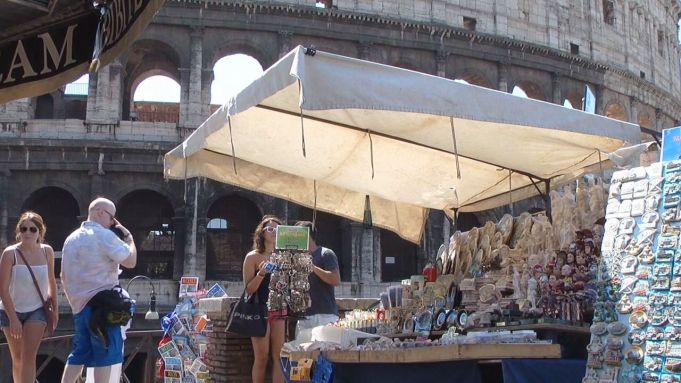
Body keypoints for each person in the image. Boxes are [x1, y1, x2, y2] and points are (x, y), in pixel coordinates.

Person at [60, 197, 137, 383]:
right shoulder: (104, 235)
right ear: (100, 212)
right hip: (103, 307)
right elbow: (131, 261)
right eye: (112, 218)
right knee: (106, 354)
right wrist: (130, 239)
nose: (112, 223)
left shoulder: (70, 239)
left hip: (79, 306)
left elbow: (63, 275)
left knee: (78, 354)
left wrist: (75, 303)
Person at [0, 211, 58, 383]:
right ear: (19, 231)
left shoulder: (47, 252)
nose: (28, 233)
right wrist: (14, 319)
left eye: (33, 229)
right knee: (17, 358)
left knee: (28, 357)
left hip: (37, 311)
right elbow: (3, 290)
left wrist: (54, 311)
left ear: (40, 232)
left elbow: (51, 283)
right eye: (24, 228)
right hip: (11, 310)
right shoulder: (10, 254)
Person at [242, 215, 285, 383]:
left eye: (278, 229)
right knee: (262, 357)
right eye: (270, 228)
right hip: (259, 309)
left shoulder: (284, 256)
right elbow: (249, 289)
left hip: (279, 308)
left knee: (280, 357)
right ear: (262, 232)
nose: (274, 232)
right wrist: (261, 273)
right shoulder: (252, 257)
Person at [294, 221, 341, 341]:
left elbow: (335, 279)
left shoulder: (326, 254)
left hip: (324, 314)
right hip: (303, 316)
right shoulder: (295, 257)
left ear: (308, 235)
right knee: (302, 356)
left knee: (326, 354)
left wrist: (313, 268)